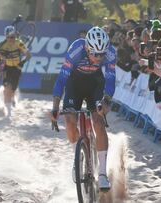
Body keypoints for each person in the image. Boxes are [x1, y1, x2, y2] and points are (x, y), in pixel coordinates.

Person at [50, 27, 116, 190]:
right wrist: (55, 107)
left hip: (96, 83)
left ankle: (102, 174)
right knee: (70, 120)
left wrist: (106, 100)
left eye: (102, 54)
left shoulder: (110, 52)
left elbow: (110, 79)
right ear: (87, 48)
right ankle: (77, 159)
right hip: (75, 84)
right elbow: (61, 79)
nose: (99, 58)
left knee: (98, 122)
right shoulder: (76, 49)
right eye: (95, 54)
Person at [0, 25, 31, 116]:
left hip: (17, 68)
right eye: (9, 37)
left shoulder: (19, 43)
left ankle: (11, 98)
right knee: (7, 88)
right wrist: (0, 57)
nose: (11, 39)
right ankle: (9, 112)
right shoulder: (2, 44)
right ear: (6, 37)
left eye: (13, 37)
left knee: (12, 89)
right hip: (7, 68)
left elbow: (28, 55)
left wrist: (22, 63)